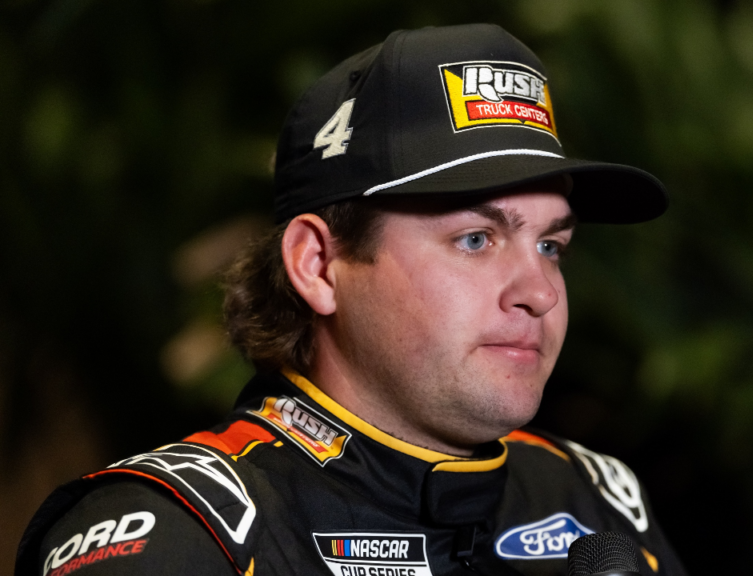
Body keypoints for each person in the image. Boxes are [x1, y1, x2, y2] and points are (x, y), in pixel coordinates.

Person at [16, 24, 684, 576]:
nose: (539, 292)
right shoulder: (177, 537)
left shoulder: (597, 499)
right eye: (477, 238)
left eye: (551, 247)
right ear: (318, 265)